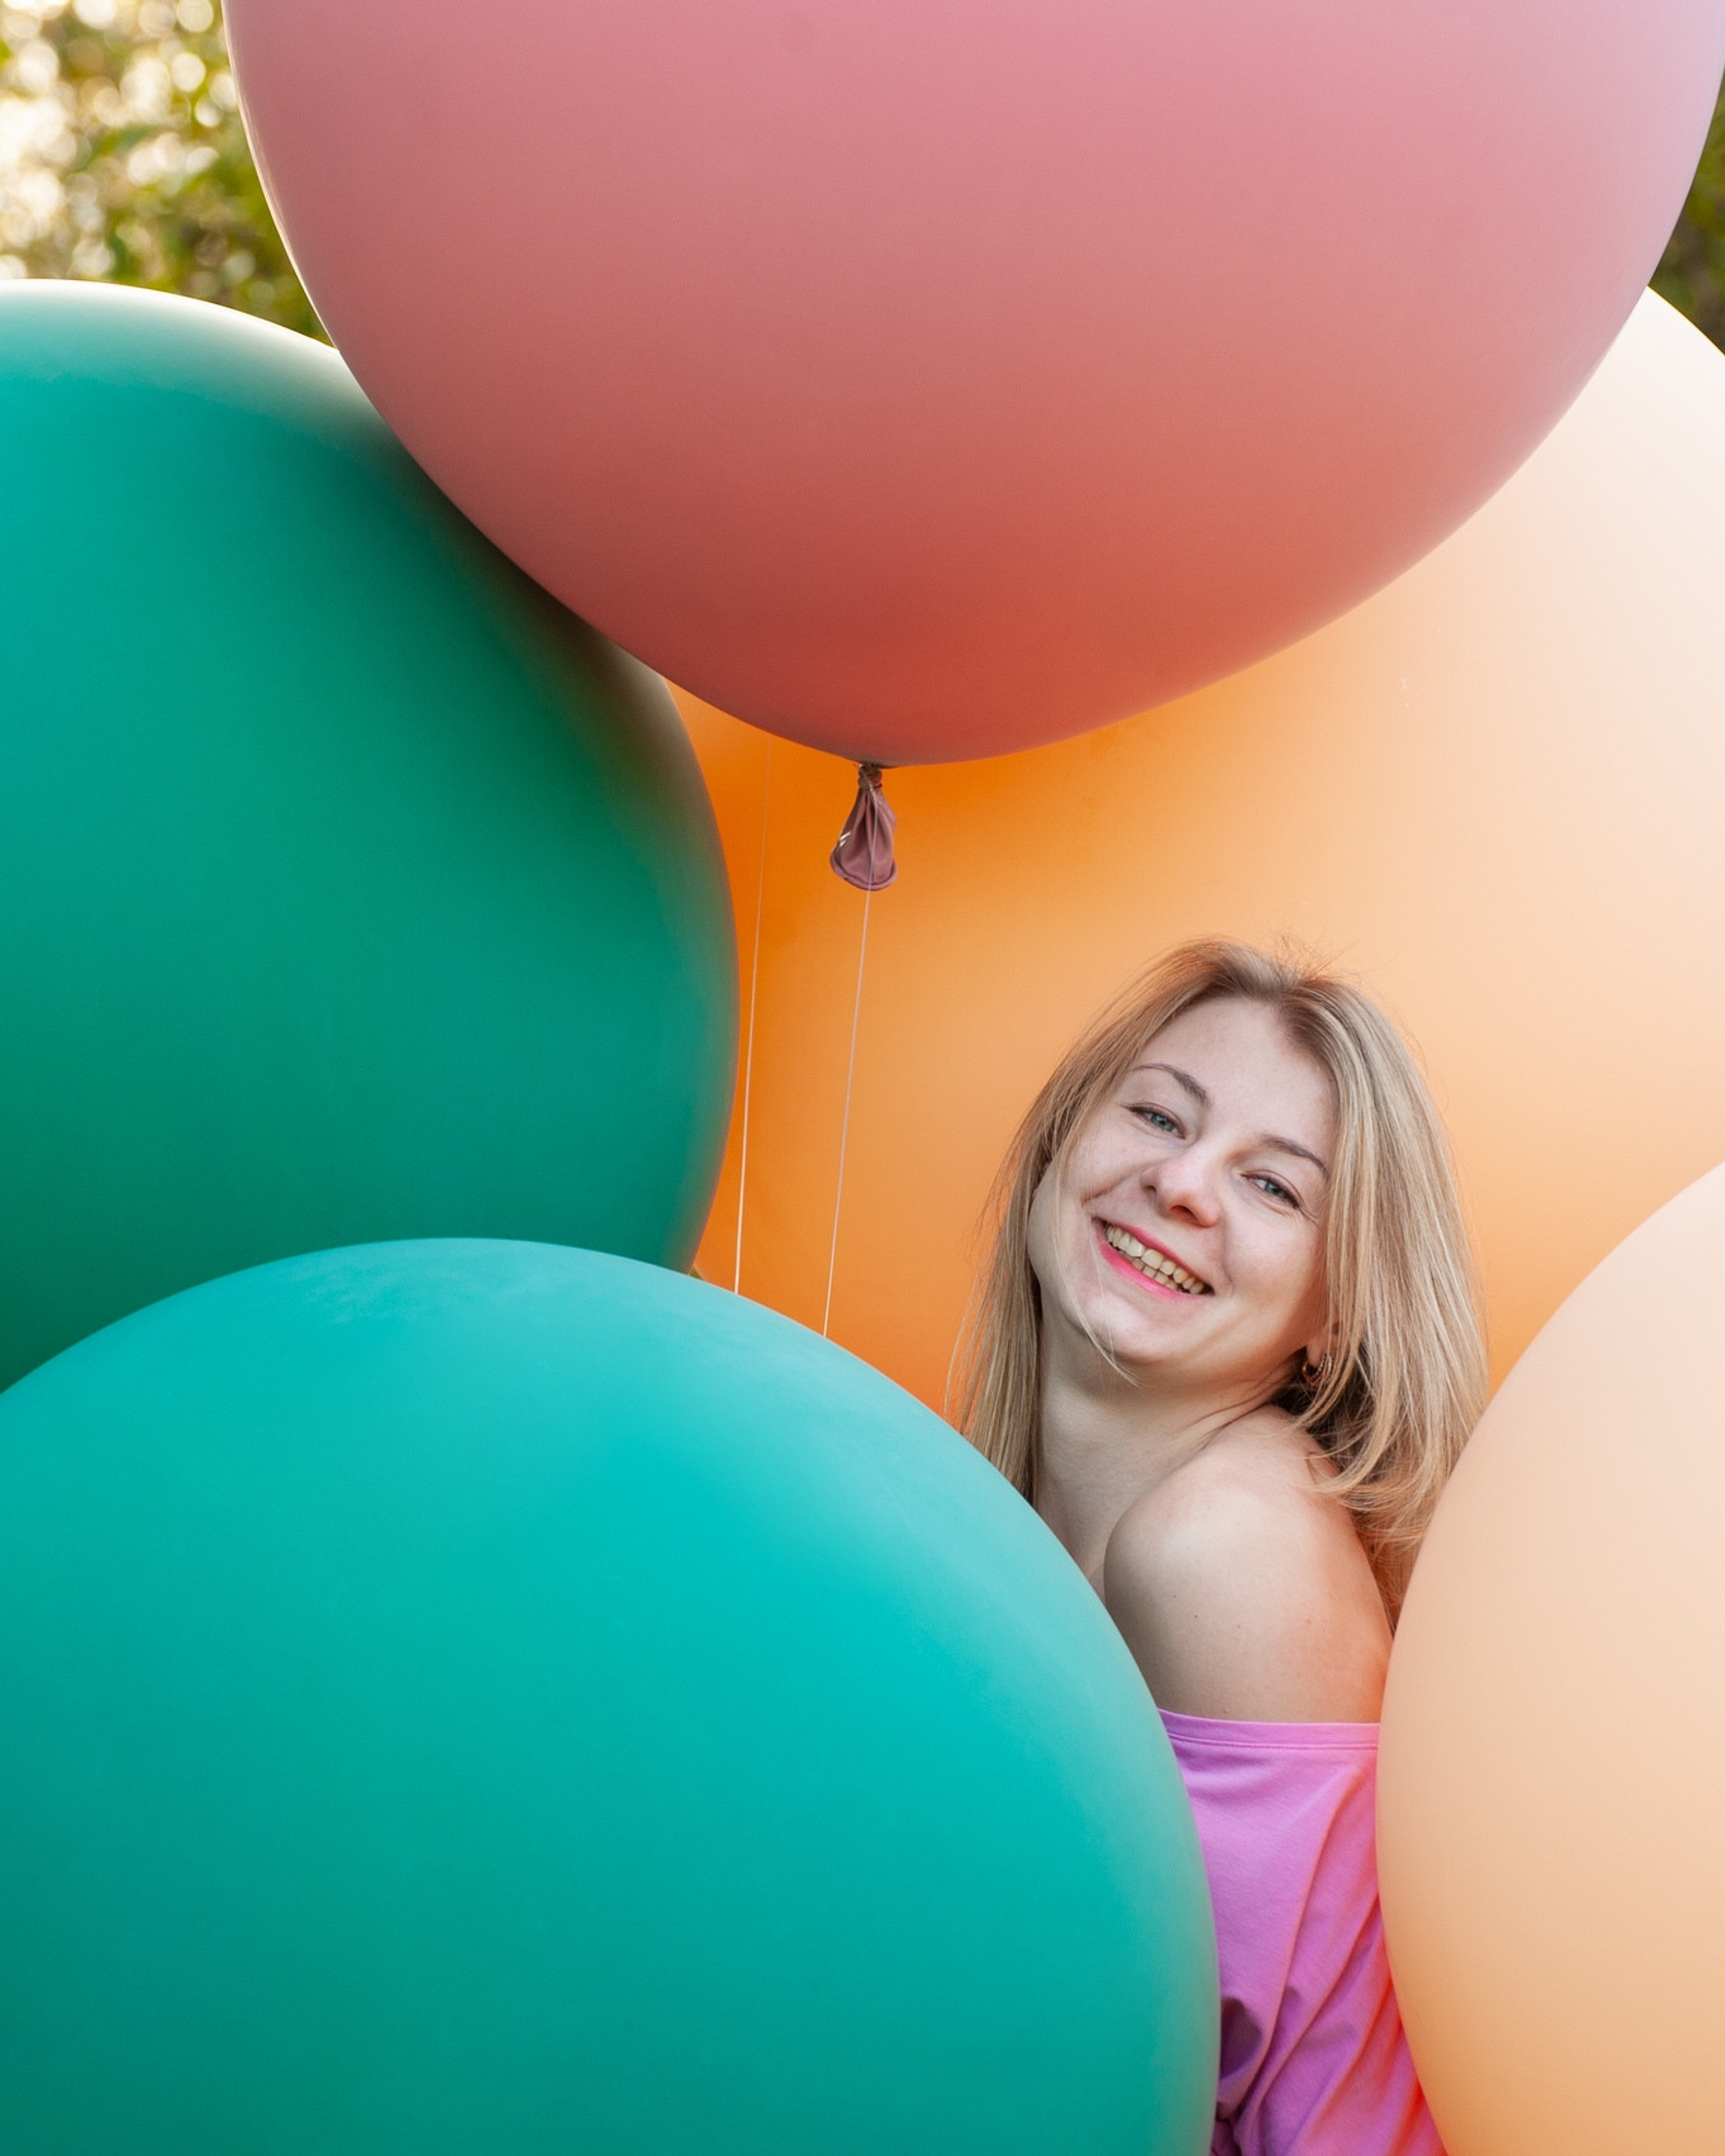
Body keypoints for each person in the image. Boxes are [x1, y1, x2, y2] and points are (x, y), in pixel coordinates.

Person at [955, 940, 1485, 2156]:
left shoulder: (1220, 1545)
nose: (1183, 1183)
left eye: (1275, 1187)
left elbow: (1170, 2089)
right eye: (1155, 1113)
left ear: (1337, 1309)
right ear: (1060, 1143)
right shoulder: (999, 1531)